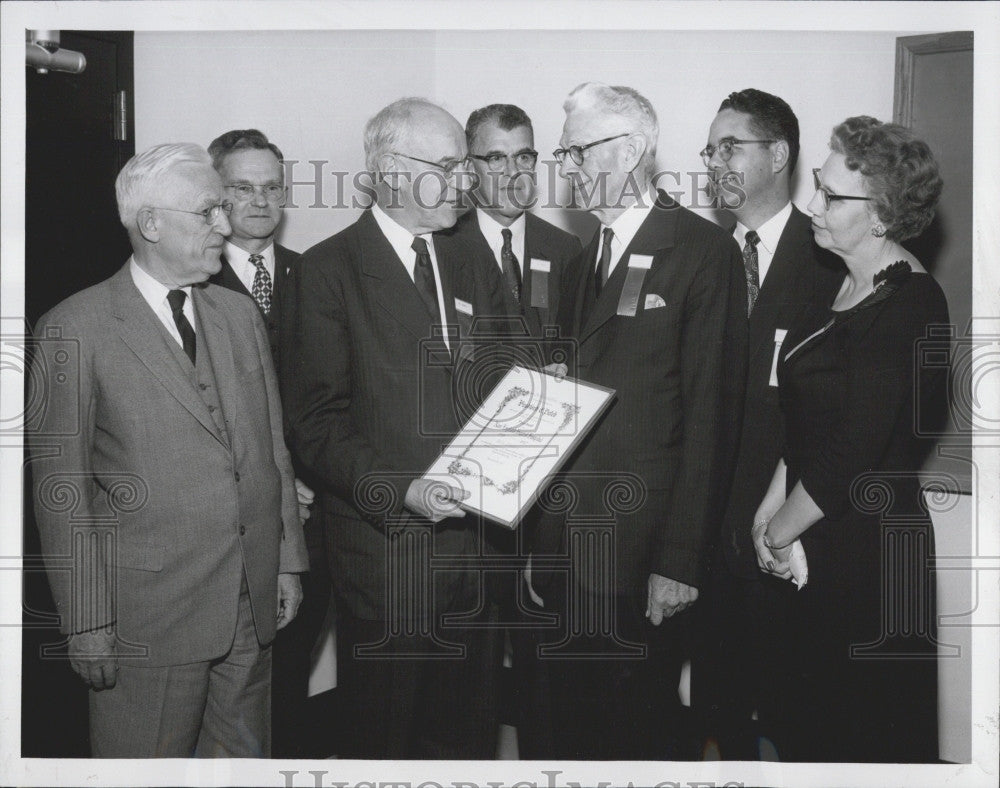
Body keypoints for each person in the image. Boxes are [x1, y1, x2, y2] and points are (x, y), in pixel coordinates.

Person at [27, 143, 308, 757]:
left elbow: (271, 450)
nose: (226, 226)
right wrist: (86, 621)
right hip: (145, 619)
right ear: (150, 223)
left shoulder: (237, 315)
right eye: (209, 211)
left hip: (249, 604)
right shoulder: (73, 327)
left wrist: (287, 558)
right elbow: (61, 492)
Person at [525, 82, 747, 760]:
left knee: (639, 734)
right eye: (562, 153)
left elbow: (712, 418)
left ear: (631, 150)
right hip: (568, 546)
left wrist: (679, 561)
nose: (565, 168)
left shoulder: (702, 253)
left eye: (577, 150)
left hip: (643, 552)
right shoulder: (580, 257)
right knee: (573, 728)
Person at [280, 98, 506, 758]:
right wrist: (401, 489)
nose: (465, 180)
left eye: (463, 163)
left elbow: (492, 378)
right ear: (387, 170)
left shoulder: (468, 260)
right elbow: (315, 424)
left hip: (477, 559)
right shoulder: (327, 273)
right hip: (389, 560)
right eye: (447, 165)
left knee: (468, 745)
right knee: (385, 747)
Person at [752, 116, 948, 762]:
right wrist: (767, 515)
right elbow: (806, 423)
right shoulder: (831, 282)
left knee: (859, 744)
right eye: (818, 184)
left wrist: (780, 532)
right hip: (811, 535)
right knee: (803, 736)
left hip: (867, 557)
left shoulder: (913, 304)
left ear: (884, 216)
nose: (813, 203)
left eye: (833, 197)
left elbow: (852, 449)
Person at [690, 89, 843, 760]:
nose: (715, 161)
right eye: (710, 149)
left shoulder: (831, 263)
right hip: (708, 534)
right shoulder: (701, 258)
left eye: (732, 146)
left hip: (790, 530)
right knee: (721, 712)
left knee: (800, 714)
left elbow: (840, 414)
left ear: (778, 154)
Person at [443, 102, 583, 755]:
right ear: (470, 168)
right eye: (494, 158)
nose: (513, 172)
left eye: (524, 156)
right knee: (468, 668)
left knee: (547, 663)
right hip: (466, 501)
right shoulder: (442, 247)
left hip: (550, 499)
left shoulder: (568, 250)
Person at [207, 128, 328, 758]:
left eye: (272, 187)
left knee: (296, 672)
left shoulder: (317, 275)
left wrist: (316, 479)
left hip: (321, 517)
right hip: (237, 524)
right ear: (214, 193)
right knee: (239, 688)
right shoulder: (193, 286)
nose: (260, 200)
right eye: (242, 187)